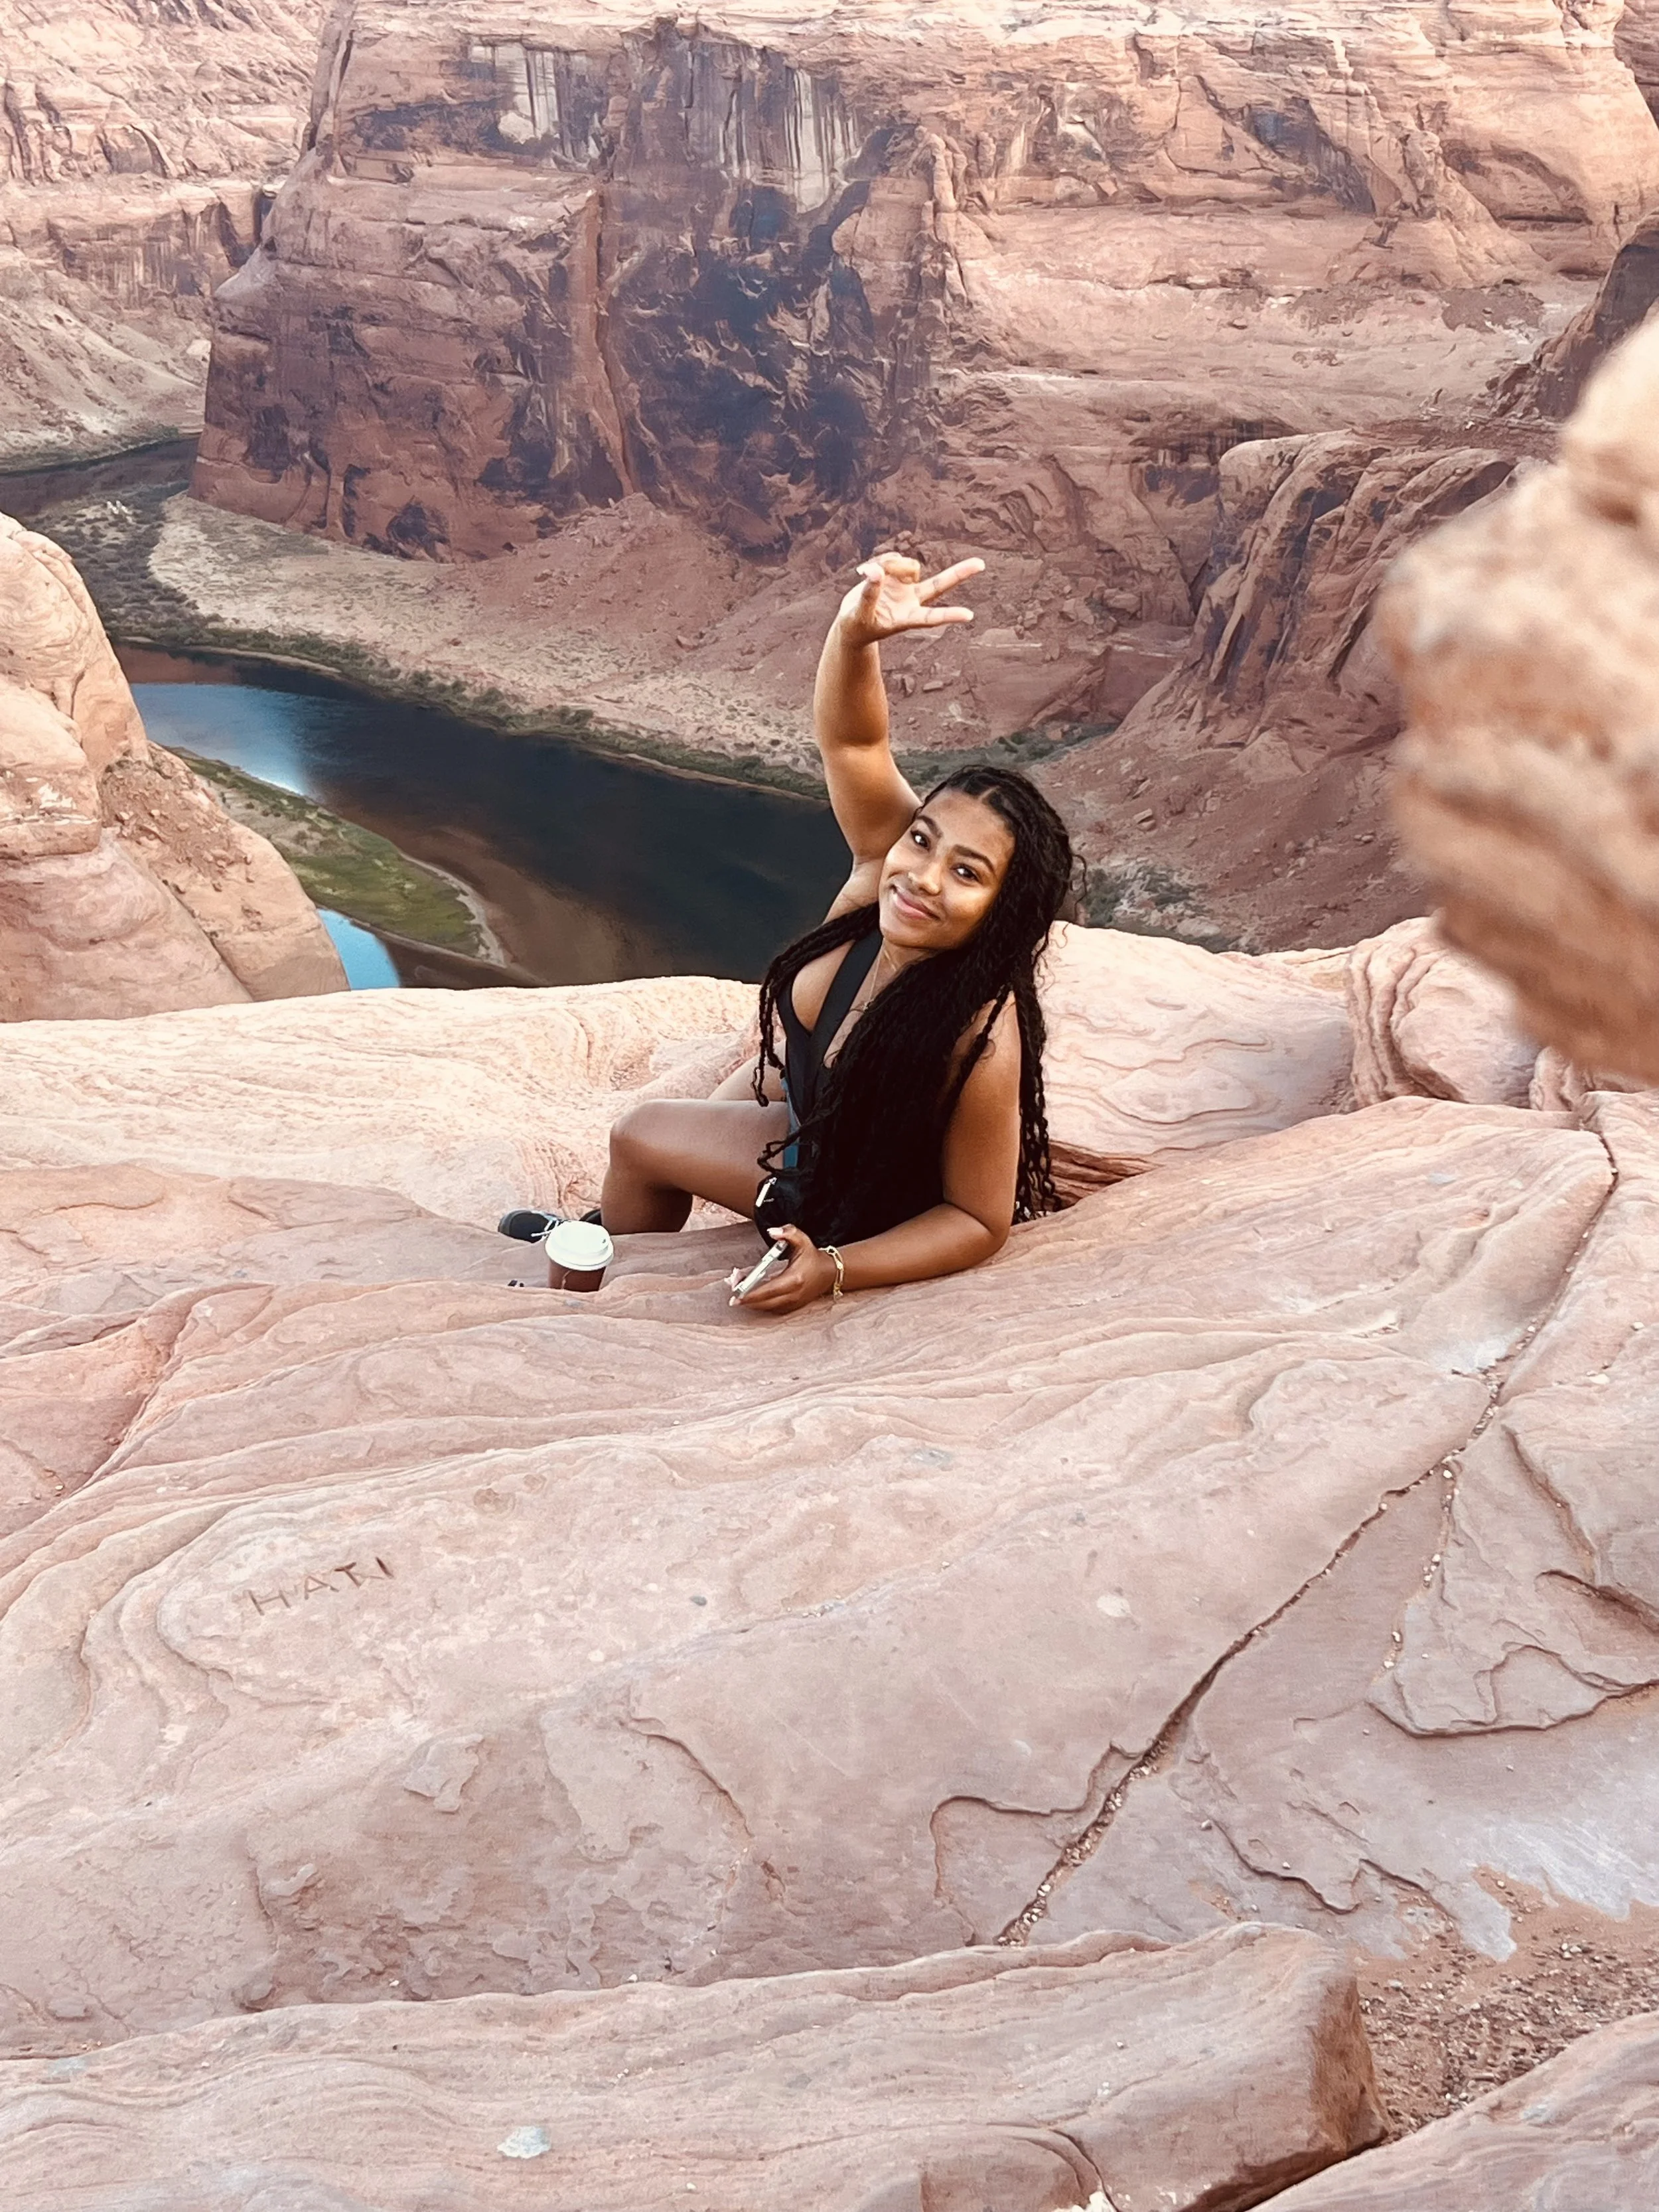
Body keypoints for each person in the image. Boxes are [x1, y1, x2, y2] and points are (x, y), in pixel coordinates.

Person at [499, 550, 1078, 1312]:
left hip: (857, 1199)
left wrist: (835, 1268)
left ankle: (606, 1275)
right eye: (923, 839)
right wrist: (854, 635)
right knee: (727, 1097)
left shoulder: (978, 1035)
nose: (923, 876)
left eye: (967, 874)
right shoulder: (883, 872)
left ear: (1004, 911)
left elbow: (976, 1220)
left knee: (642, 1135)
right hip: (817, 1113)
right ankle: (610, 1235)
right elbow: (856, 746)